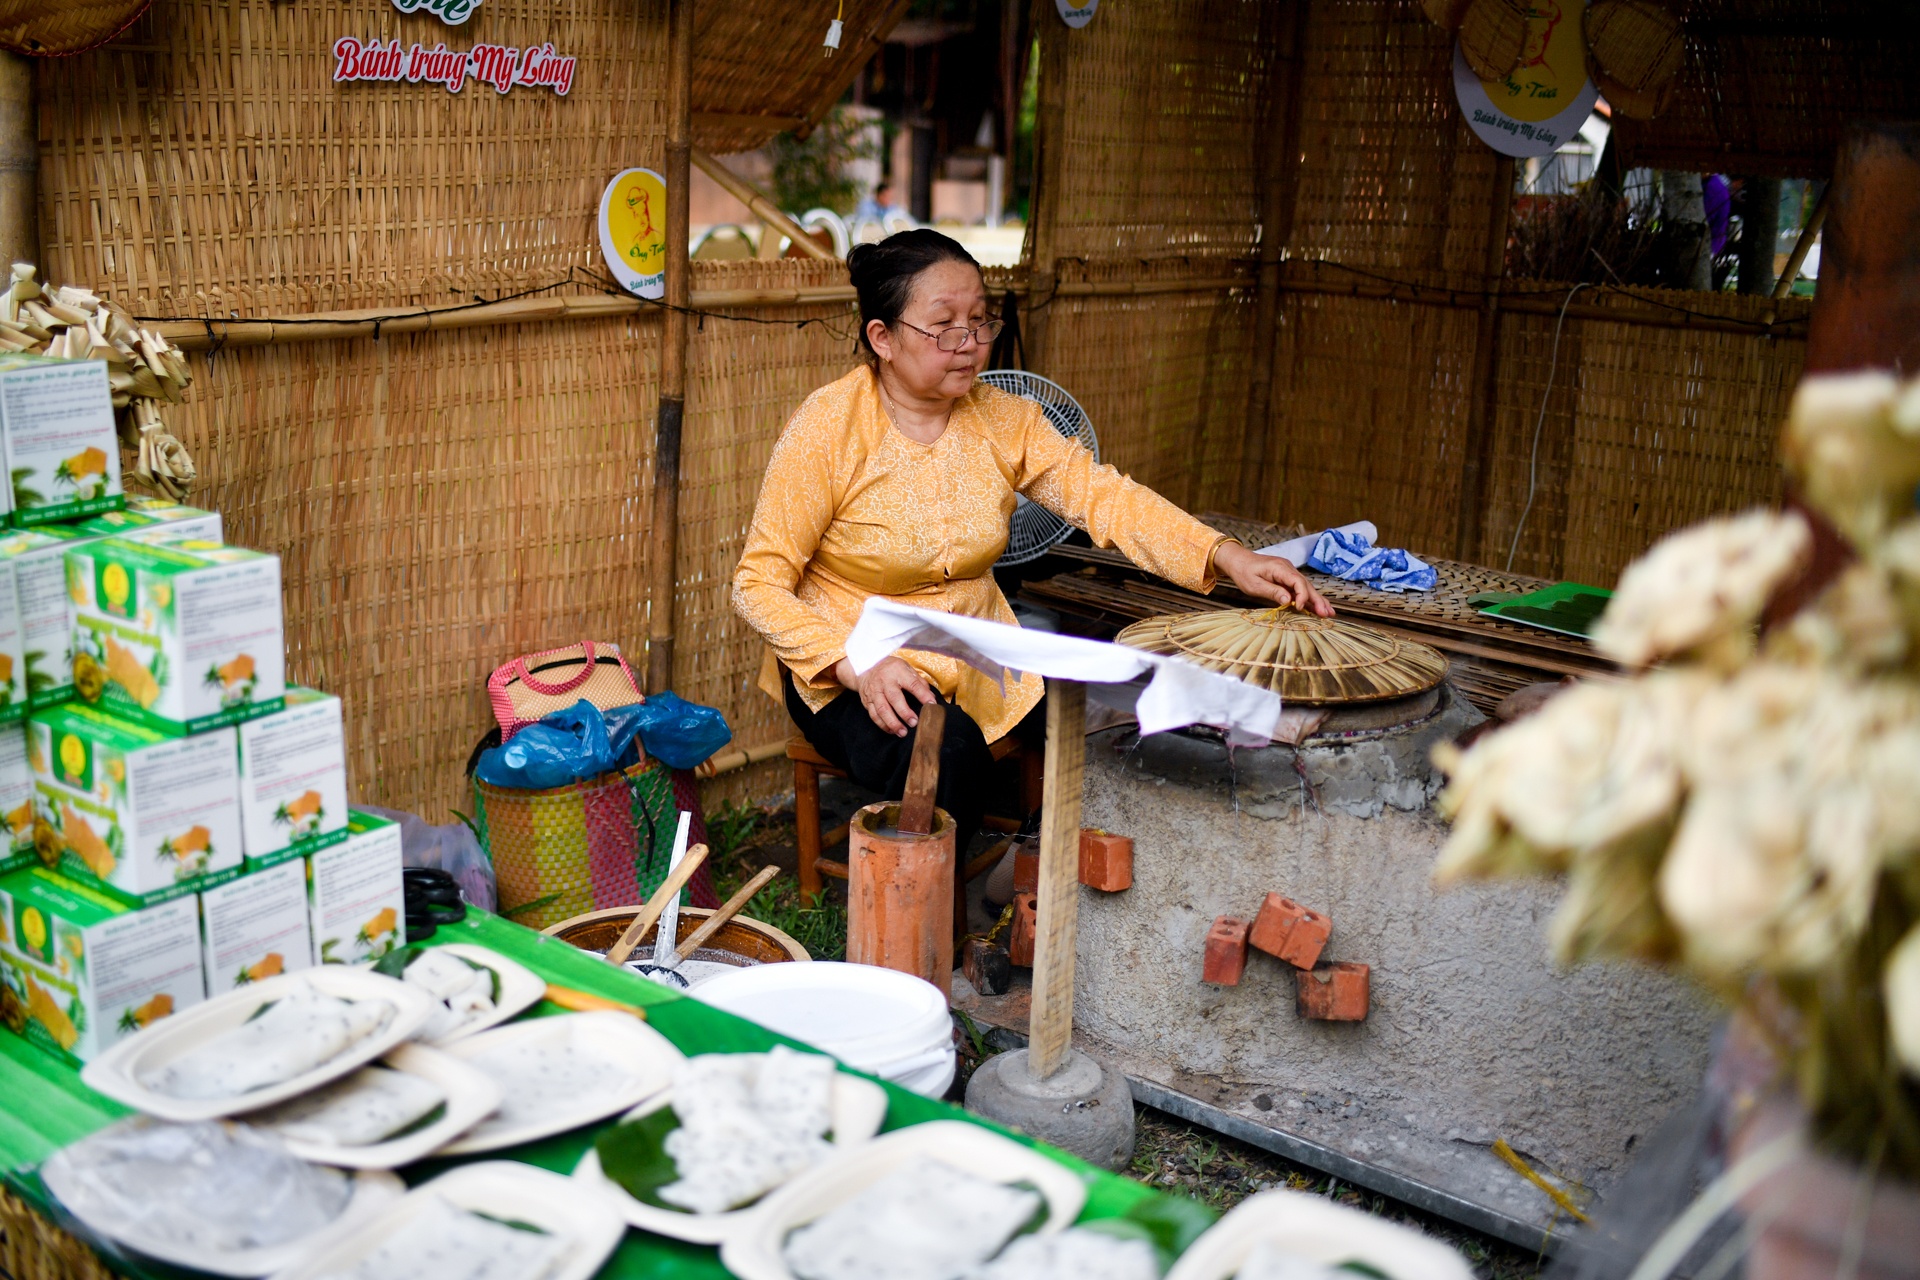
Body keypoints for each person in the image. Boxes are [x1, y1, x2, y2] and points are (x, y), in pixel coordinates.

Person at [732, 229, 1332, 860]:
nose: (968, 344)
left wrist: (1227, 556)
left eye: (978, 321)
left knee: (1099, 707)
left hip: (973, 640)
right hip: (852, 659)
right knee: (946, 748)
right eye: (944, 326)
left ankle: (1049, 875)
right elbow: (757, 585)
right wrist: (858, 666)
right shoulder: (826, 427)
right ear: (882, 338)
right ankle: (933, 934)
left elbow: (1105, 496)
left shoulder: (1004, 418)